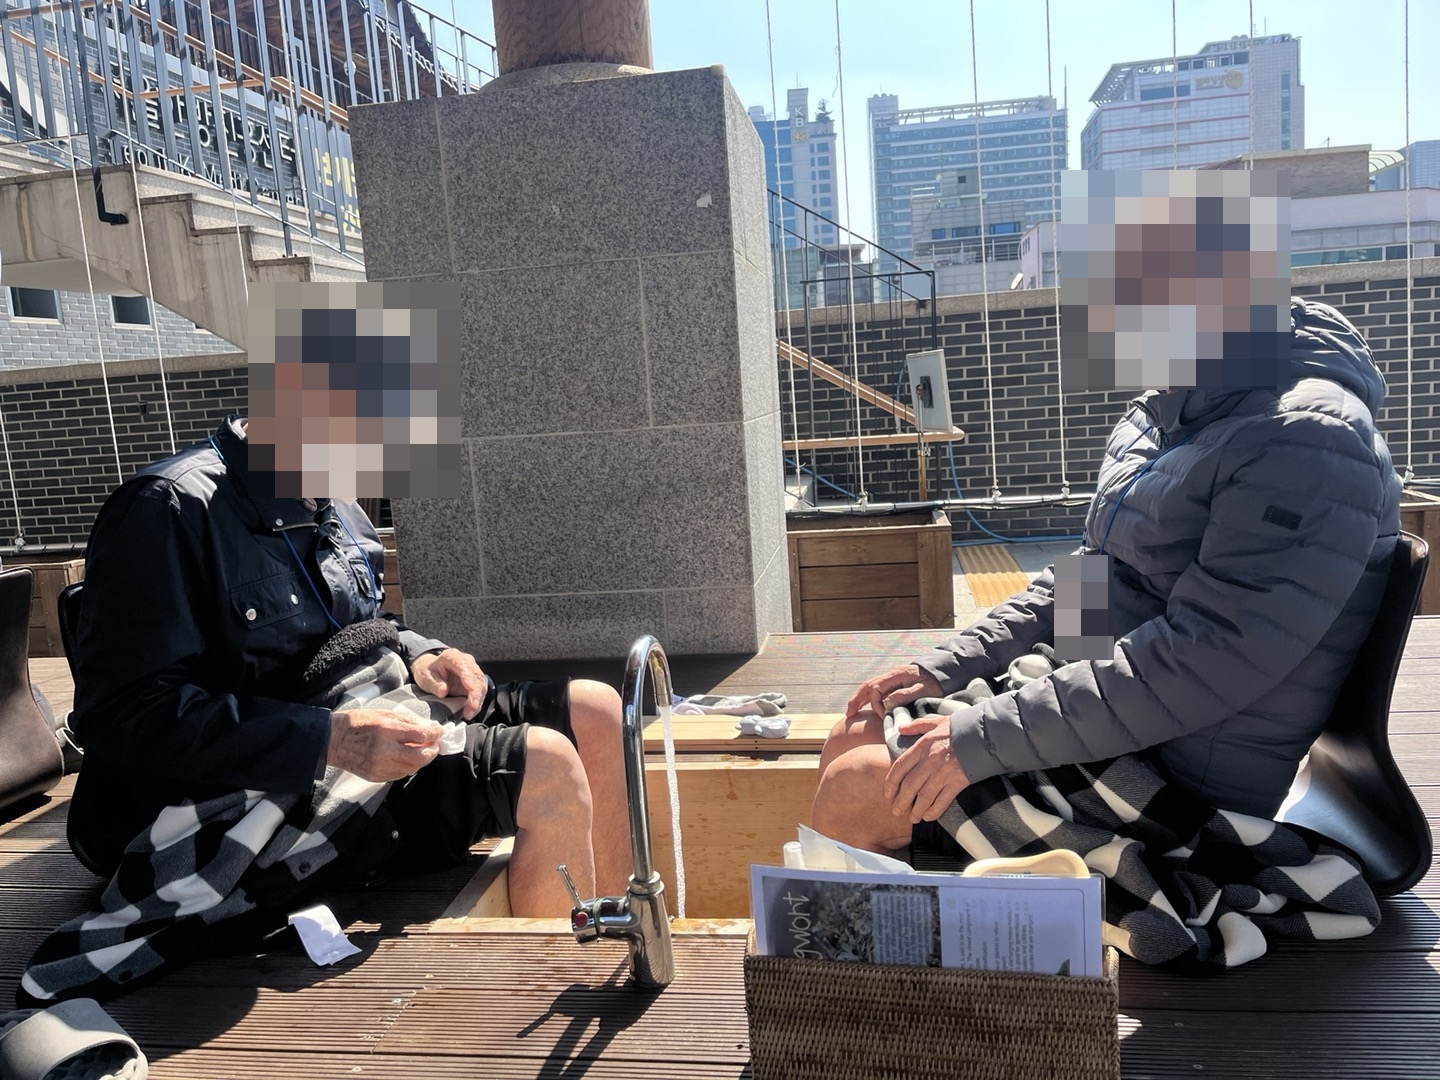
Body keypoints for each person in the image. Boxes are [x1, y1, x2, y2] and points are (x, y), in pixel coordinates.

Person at [811, 295, 1402, 855]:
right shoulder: (1170, 408)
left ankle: (890, 926)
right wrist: (948, 666)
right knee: (857, 731)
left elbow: (1203, 663)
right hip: (1107, 717)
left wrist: (983, 736)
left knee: (858, 789)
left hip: (1183, 779)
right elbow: (1090, 582)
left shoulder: (1310, 439)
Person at [65, 413, 630, 917]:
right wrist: (328, 740)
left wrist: (422, 652)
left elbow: (363, 623)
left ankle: (620, 936)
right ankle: (561, 982)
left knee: (598, 709)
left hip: (368, 718)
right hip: (252, 796)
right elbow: (121, 715)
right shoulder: (164, 507)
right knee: (547, 767)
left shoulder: (336, 501)